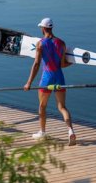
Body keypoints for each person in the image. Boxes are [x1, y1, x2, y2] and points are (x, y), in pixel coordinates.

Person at [24, 17, 76, 146]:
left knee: (42, 106)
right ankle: (70, 130)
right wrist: (72, 64)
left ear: (43, 28)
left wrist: (29, 82)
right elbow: (63, 64)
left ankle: (42, 132)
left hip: (46, 78)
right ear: (51, 27)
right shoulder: (62, 43)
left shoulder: (40, 44)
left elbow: (36, 64)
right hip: (59, 77)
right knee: (62, 107)